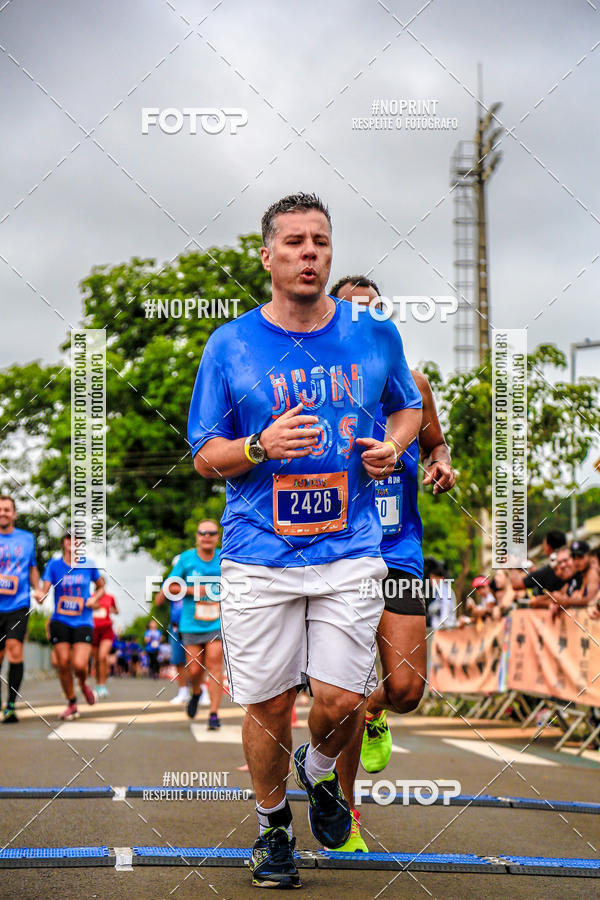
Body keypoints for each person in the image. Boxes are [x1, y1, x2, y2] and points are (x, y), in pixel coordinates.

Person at [188, 193, 422, 888]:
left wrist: (395, 446)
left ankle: (317, 774)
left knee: (343, 700)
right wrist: (260, 445)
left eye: (320, 240)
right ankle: (272, 830)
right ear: (268, 257)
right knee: (265, 708)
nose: (309, 252)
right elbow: (205, 454)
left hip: (350, 548)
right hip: (259, 553)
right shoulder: (229, 345)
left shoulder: (373, 333)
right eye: (293, 242)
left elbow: (407, 404)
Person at [330, 275, 456, 850]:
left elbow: (435, 443)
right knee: (345, 694)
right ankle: (346, 815)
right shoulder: (321, 384)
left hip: (400, 552)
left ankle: (381, 711)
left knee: (406, 689)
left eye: (374, 309)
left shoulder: (414, 384)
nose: (366, 318)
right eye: (353, 310)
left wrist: (440, 463)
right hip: (341, 557)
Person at [36, 533, 105, 720]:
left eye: (76, 539)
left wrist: (94, 598)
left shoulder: (89, 565)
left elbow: (101, 586)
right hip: (60, 620)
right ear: (63, 543)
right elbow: (44, 591)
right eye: (68, 538)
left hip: (83, 621)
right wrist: (39, 595)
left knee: (80, 664)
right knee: (63, 663)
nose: (72, 542)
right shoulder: (54, 565)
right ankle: (72, 702)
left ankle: (83, 684)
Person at [162, 521, 223, 728]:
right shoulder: (186, 559)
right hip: (191, 622)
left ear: (217, 536)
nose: (207, 536)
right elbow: (170, 585)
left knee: (215, 663)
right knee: (195, 670)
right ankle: (196, 692)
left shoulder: (224, 557)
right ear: (197, 536)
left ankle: (214, 714)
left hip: (216, 620)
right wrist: (195, 590)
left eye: (212, 533)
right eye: (203, 533)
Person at [0, 496, 40, 723]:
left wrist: (38, 588)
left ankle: (11, 705)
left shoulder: (27, 539)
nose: (3, 513)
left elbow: (32, 567)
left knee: (14, 649)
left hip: (18, 603)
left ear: (14, 514)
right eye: (0, 510)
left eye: (7, 509)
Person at [509, 529, 566, 596]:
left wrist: (513, 565)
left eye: (544, 544)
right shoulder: (571, 567)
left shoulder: (549, 570)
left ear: (548, 547)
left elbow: (516, 585)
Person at [92, 590, 118, 699]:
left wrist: (112, 610)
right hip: (93, 630)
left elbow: (116, 610)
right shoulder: (90, 597)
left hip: (106, 630)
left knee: (103, 657)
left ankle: (102, 685)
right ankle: (98, 684)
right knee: (96, 659)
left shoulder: (110, 597)